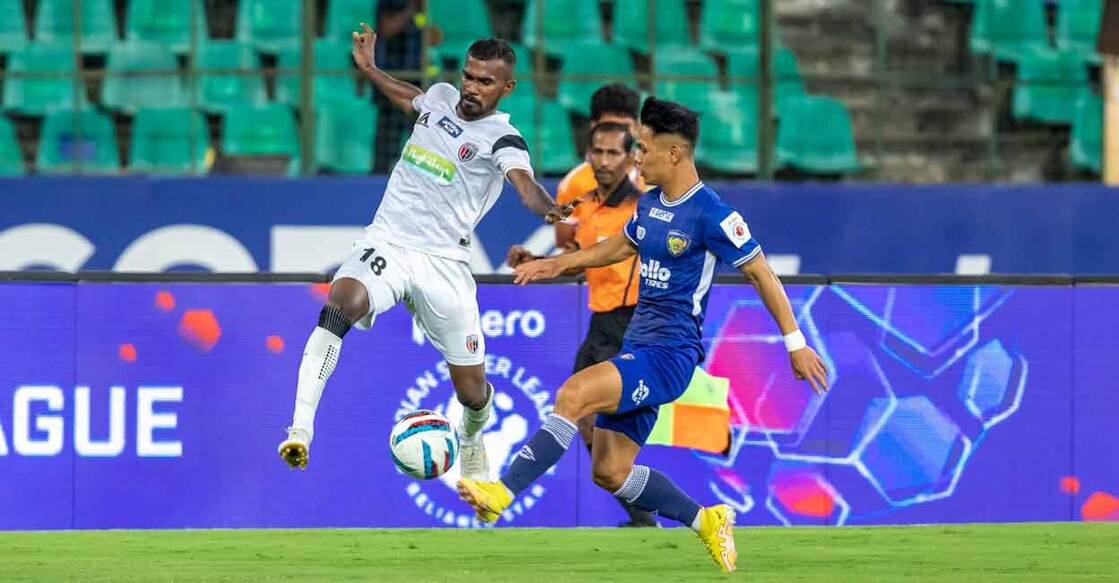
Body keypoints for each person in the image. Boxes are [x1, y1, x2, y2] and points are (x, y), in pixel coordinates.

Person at [457, 97, 829, 573]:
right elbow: (615, 247)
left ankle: (500, 492)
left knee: (573, 394)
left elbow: (761, 274)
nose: (636, 157)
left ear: (674, 153)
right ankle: (707, 519)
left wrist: (795, 344)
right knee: (609, 471)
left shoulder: (712, 215)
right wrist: (555, 263)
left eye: (644, 148)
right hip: (639, 346)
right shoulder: (651, 203)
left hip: (670, 354)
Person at [278, 27, 565, 484]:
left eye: (485, 82)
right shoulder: (441, 97)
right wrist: (371, 69)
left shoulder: (502, 138)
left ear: (506, 87)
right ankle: (300, 429)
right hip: (389, 243)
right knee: (339, 304)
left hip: (444, 266)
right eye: (469, 76)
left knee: (472, 394)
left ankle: (471, 441)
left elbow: (523, 184)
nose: (472, 87)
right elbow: (411, 98)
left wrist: (548, 208)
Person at [507, 117, 656, 528]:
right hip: (601, 323)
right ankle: (644, 516)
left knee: (587, 417)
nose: (605, 161)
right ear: (588, 156)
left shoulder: (643, 205)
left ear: (629, 158)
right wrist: (537, 263)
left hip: (632, 323)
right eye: (598, 152)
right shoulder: (588, 203)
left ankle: (505, 489)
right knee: (586, 423)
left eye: (614, 153)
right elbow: (583, 259)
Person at [371, 0, 423, 173]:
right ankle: (377, 183)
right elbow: (387, 28)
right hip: (391, 82)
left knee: (420, 142)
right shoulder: (389, 3)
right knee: (386, 146)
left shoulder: (423, 8)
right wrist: (411, 8)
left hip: (417, 83)